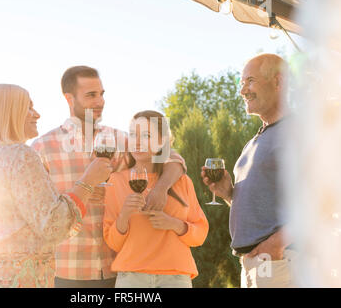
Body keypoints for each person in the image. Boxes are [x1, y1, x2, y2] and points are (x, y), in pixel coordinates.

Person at [31, 66, 187, 288]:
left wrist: (161, 188)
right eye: (91, 95)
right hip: (67, 269)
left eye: (102, 94)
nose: (100, 102)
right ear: (69, 98)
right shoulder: (43, 147)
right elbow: (40, 214)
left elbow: (172, 158)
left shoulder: (121, 140)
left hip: (120, 270)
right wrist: (83, 190)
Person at [0, 84, 111, 288]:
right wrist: (87, 183)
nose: (37, 114)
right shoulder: (21, 155)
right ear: (9, 113)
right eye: (28, 107)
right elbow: (53, 225)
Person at [201, 54, 295, 288]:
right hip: (258, 263)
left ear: (278, 81)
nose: (243, 91)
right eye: (241, 83)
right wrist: (229, 194)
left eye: (250, 81)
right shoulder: (257, 139)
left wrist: (277, 245)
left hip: (278, 260)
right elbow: (262, 207)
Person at [103, 110, 208, 288]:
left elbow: (200, 234)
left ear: (162, 141)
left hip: (175, 277)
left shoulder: (182, 182)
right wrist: (124, 215)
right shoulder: (116, 180)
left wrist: (174, 224)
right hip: (132, 278)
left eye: (146, 135)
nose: (137, 141)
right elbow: (113, 242)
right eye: (133, 134)